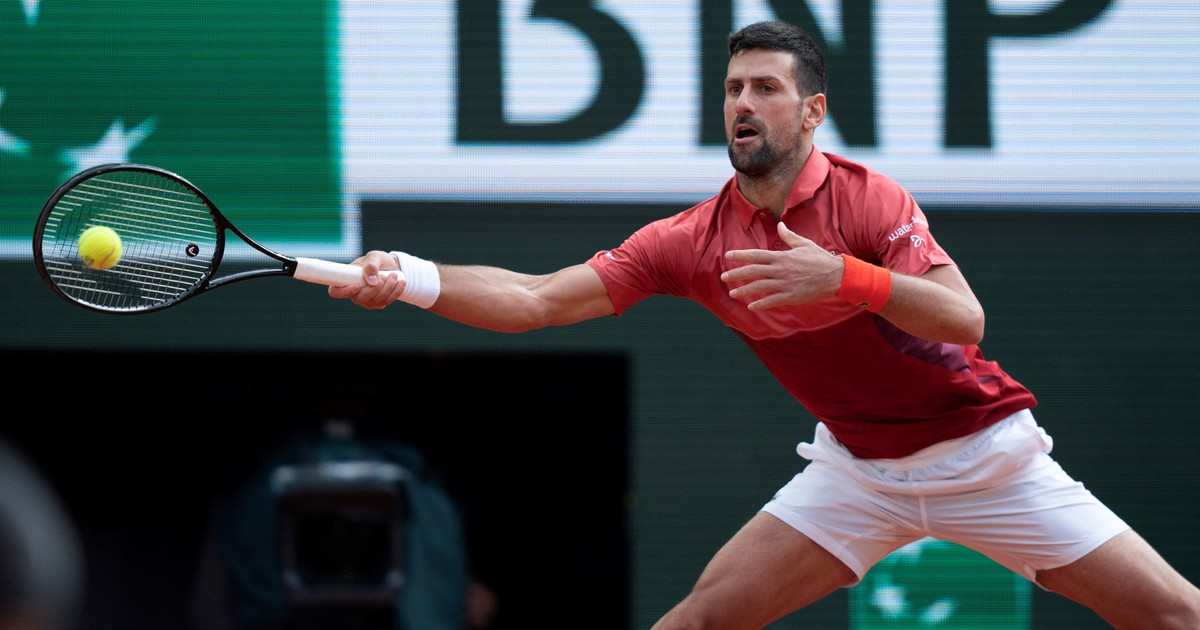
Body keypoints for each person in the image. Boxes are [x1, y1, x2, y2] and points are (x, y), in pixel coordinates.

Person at [328, 20, 1200, 629]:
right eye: (733, 88)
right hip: (858, 474)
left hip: (986, 459)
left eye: (766, 89)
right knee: (698, 622)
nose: (743, 103)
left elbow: (963, 319)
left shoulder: (869, 200)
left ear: (811, 111)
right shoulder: (689, 241)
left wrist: (845, 278)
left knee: (1172, 615)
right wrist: (409, 277)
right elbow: (536, 299)